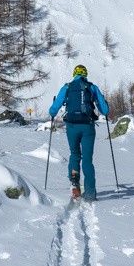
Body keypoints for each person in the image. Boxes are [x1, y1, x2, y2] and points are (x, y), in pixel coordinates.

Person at [48, 64, 109, 201]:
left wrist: (53, 110)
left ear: (74, 74)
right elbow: (104, 110)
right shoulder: (92, 87)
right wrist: (105, 103)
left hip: (72, 127)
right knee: (87, 159)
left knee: (75, 154)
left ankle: (74, 183)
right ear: (85, 74)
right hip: (87, 127)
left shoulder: (67, 87)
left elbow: (53, 109)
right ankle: (90, 192)